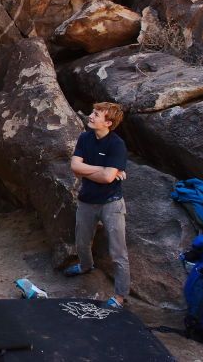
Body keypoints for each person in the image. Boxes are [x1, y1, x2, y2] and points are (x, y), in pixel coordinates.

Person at [64, 102, 130, 309]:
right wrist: (103, 169)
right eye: (93, 112)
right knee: (81, 242)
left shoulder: (117, 145)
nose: (90, 116)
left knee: (118, 251)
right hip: (87, 200)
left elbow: (107, 178)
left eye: (96, 114)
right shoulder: (85, 138)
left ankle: (120, 296)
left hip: (111, 204)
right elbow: (75, 166)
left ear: (108, 123)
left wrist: (90, 171)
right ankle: (85, 266)